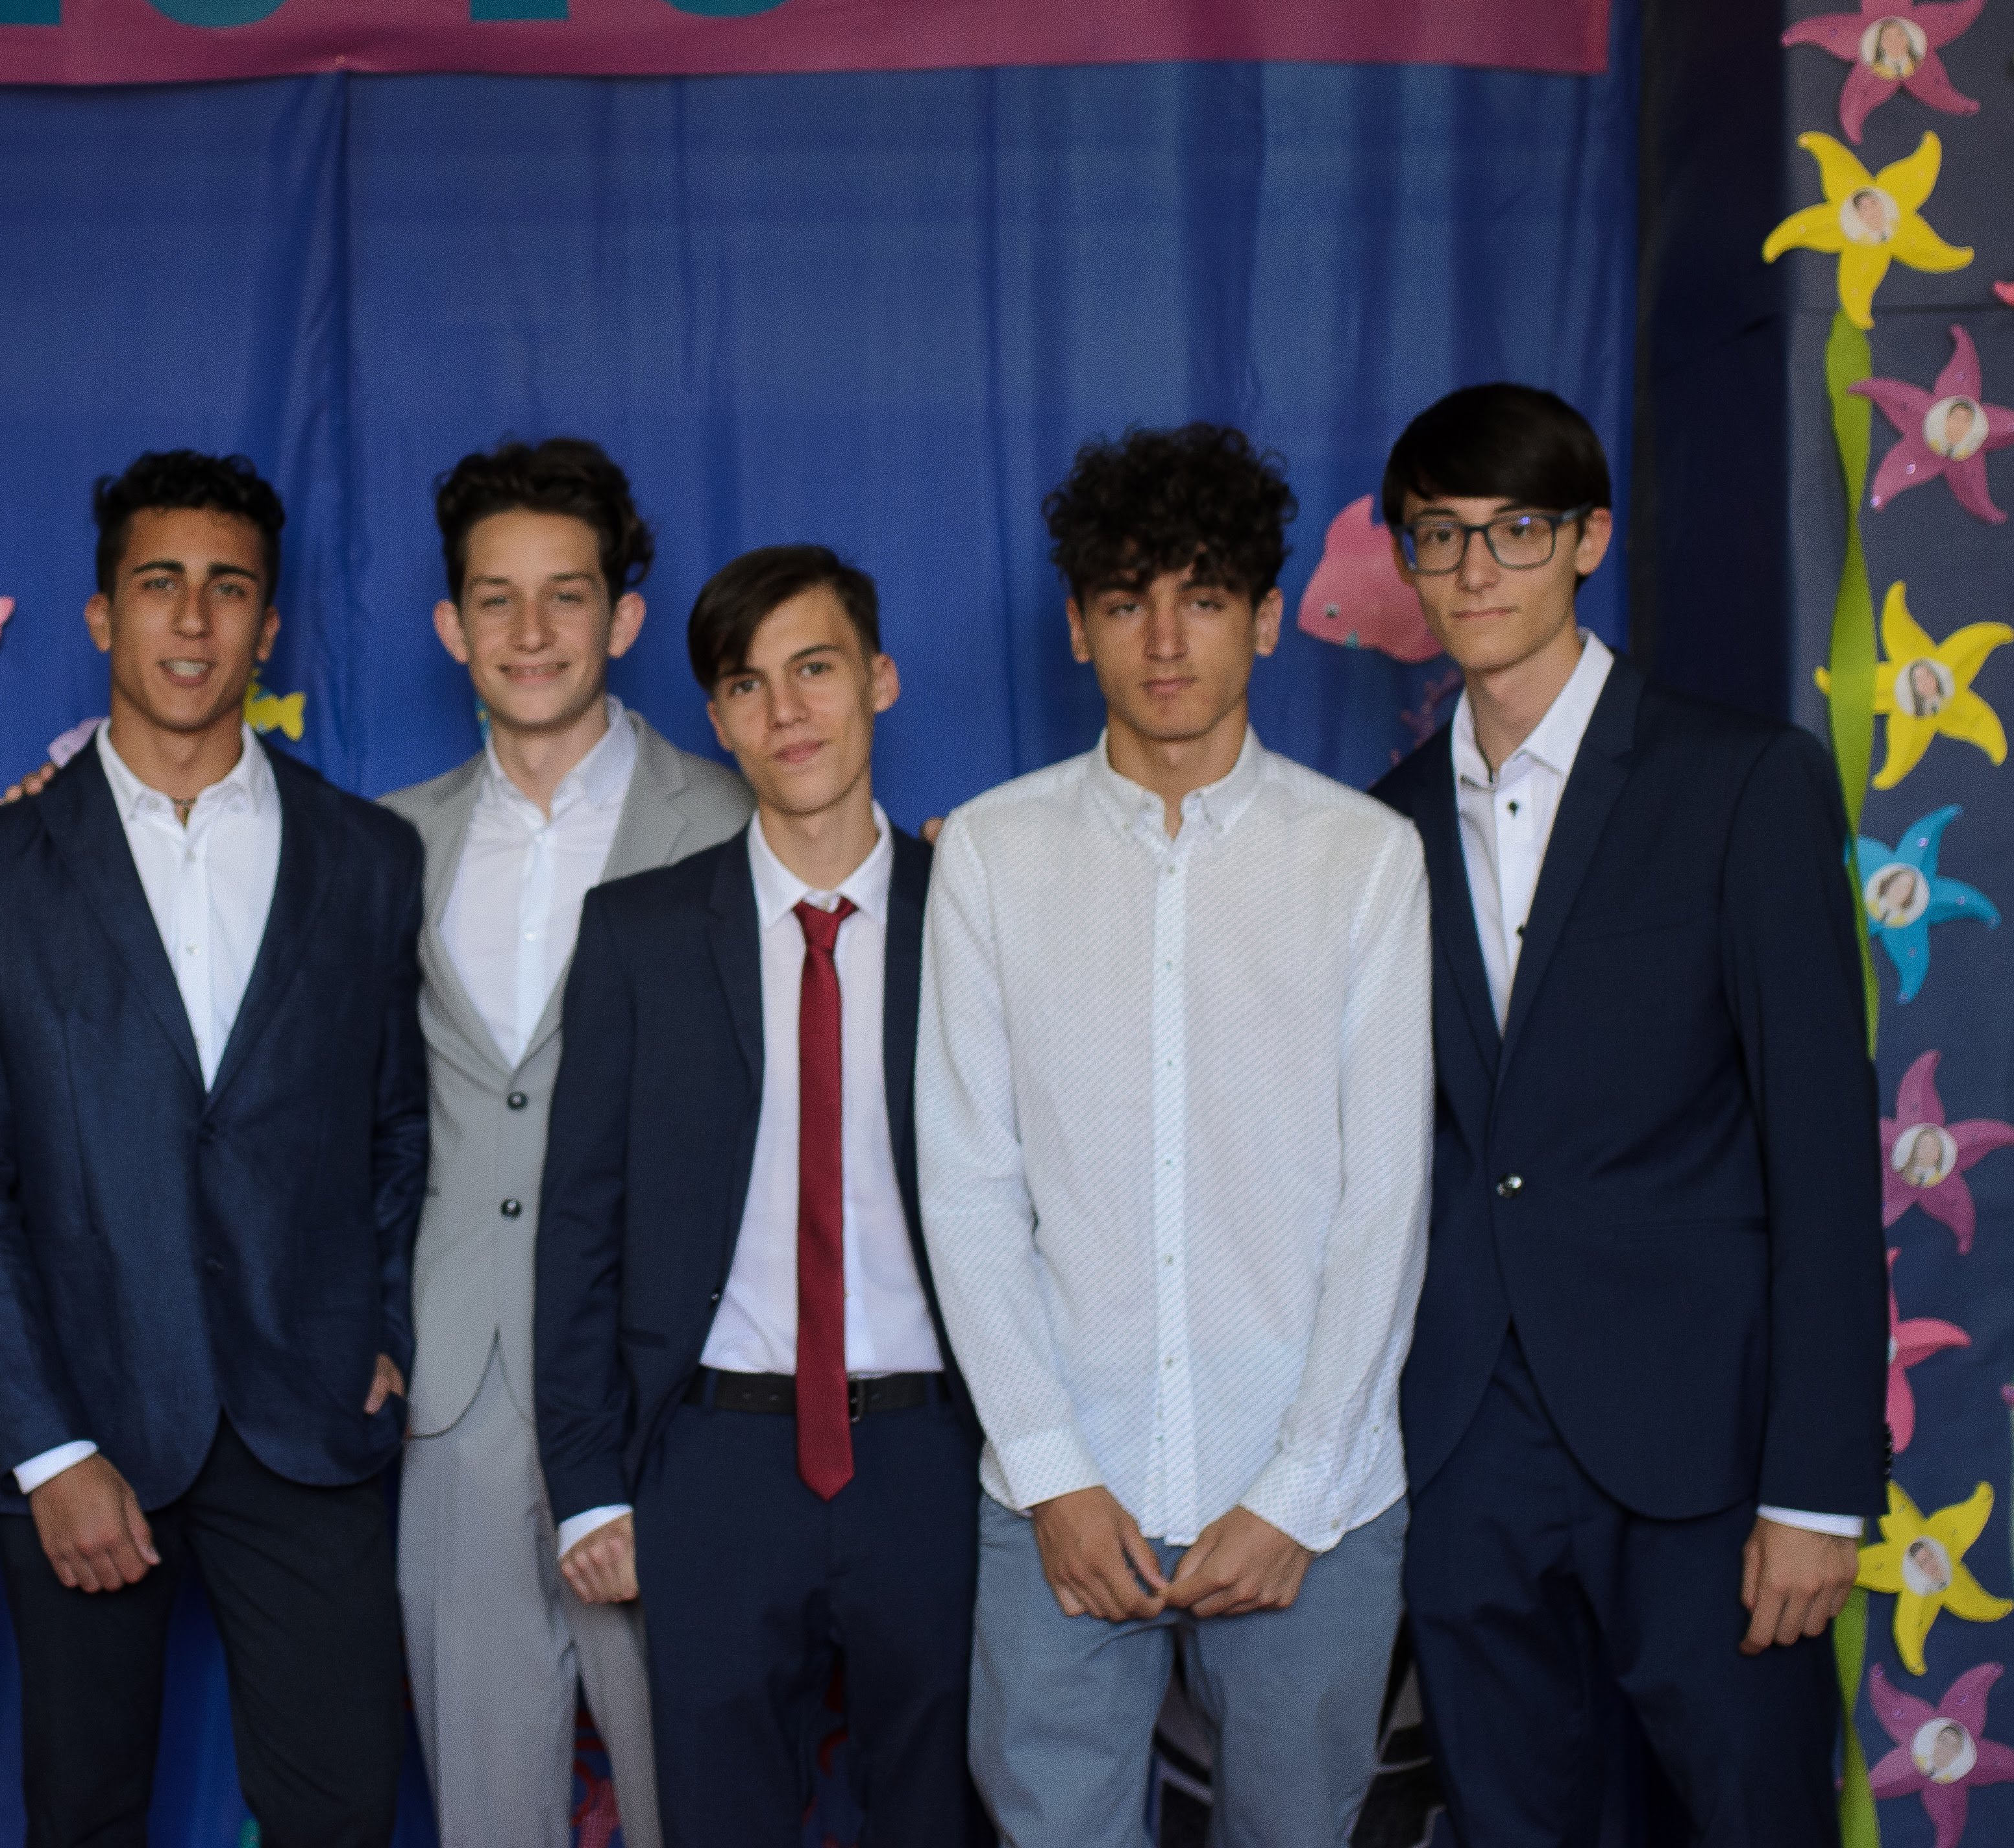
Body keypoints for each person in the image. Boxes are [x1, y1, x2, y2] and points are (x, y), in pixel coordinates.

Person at [1371, 384, 1882, 1844]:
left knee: (1750, 1815)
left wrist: (1817, 1492)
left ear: (1589, 539)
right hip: (1466, 1446)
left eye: (1516, 530)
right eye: (1441, 536)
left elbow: (1823, 1158)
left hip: (1705, 1456)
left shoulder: (1743, 781)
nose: (1476, 570)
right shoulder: (1378, 828)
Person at [919, 425, 1431, 1844]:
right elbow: (967, 1188)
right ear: (1077, 624)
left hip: (1311, 1497)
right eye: (1125, 600)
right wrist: (1052, 1475)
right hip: (1063, 1488)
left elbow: (1385, 1203)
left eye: (1202, 598)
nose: (1162, 640)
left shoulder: (1363, 859)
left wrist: (1297, 1492)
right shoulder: (992, 854)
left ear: (1264, 619)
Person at [0, 450, 428, 1848]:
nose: (193, 620)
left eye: (228, 588)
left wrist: (384, 1325)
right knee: (84, 1817)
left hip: (309, 1427)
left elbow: (396, 1128)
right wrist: (44, 1445)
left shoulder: (368, 858)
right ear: (102, 615)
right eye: (159, 585)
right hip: (86, 1424)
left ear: (269, 624)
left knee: (342, 1818)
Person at [536, 545, 982, 1847]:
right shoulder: (639, 933)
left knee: (940, 1816)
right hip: (717, 1460)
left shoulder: (978, 912)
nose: (786, 712)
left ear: (880, 679)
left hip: (937, 1454)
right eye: (747, 685)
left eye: (815, 669)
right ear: (719, 719)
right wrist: (588, 1485)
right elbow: (580, 1225)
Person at [384, 438, 749, 1848]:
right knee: (486, 1810)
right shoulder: (386, 846)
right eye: (497, 599)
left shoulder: (740, 822)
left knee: (694, 1800)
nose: (530, 631)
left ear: (624, 617)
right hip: (458, 1394)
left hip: (673, 1396)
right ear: (451, 626)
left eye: (567, 595)